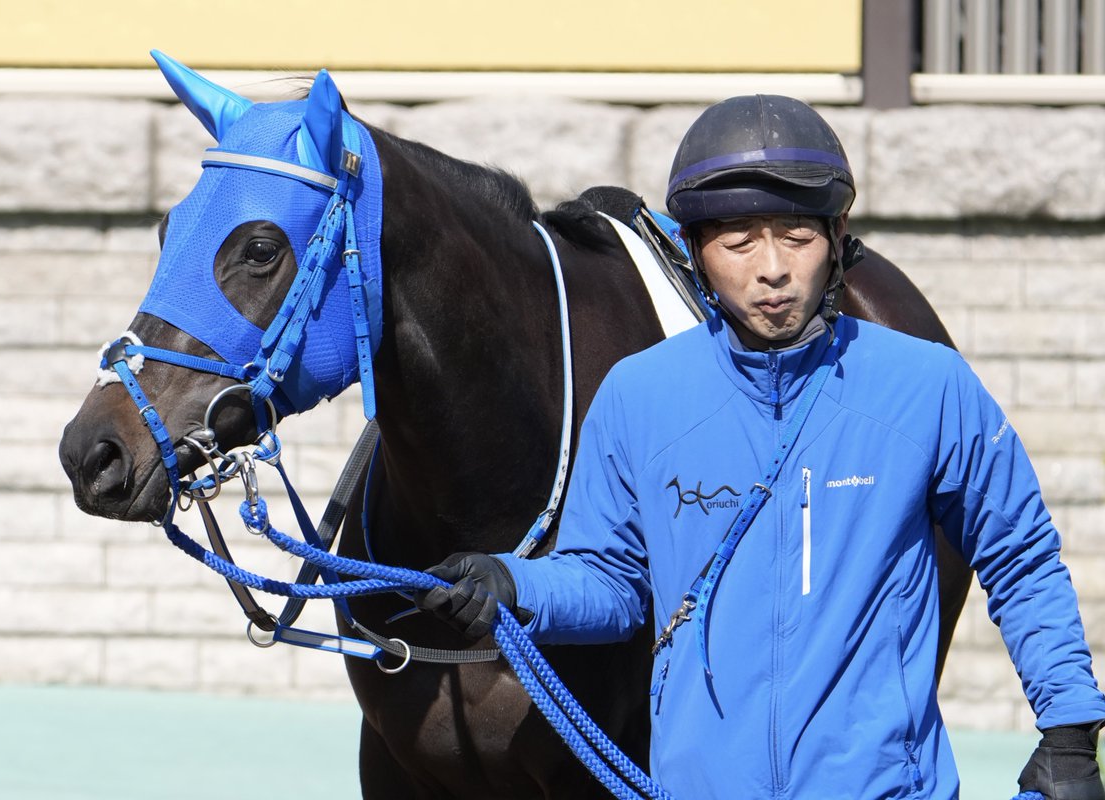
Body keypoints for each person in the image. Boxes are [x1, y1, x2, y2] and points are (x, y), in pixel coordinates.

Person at [415, 94, 1105, 799]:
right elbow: (611, 582)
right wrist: (514, 584)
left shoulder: (929, 386)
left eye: (797, 236)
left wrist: (1070, 732)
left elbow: (1021, 557)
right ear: (694, 251)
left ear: (837, 236)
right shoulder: (637, 396)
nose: (772, 268)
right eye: (738, 241)